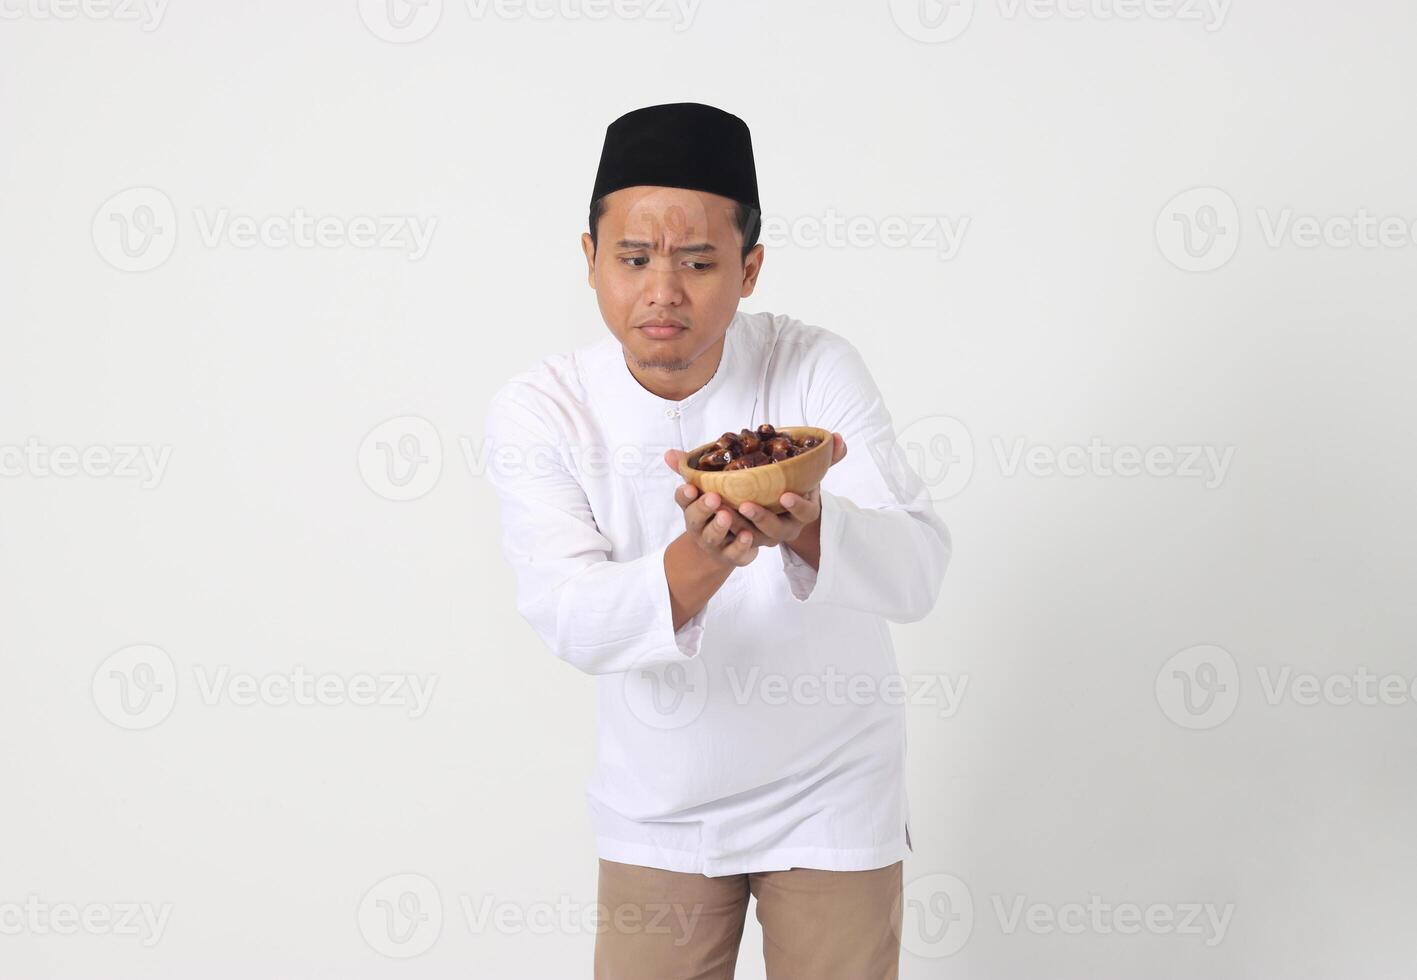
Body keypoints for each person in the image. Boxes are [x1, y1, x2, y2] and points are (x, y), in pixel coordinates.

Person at [483, 101, 952, 979]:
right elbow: (569, 620)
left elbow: (918, 572)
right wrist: (703, 558)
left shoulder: (812, 368)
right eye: (632, 259)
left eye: (698, 262)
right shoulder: (542, 408)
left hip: (831, 789)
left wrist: (811, 529)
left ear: (749, 269)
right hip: (655, 802)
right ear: (589, 261)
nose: (662, 291)